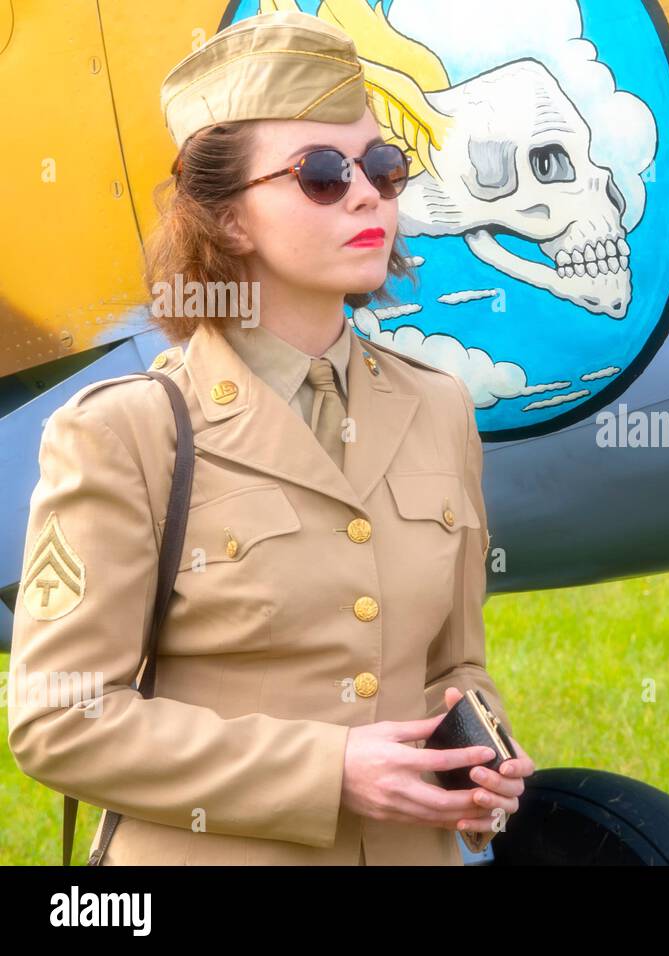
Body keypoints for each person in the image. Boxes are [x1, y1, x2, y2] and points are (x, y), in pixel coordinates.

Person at [6, 9, 534, 865]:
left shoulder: (439, 409)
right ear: (229, 221)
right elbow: (60, 718)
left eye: (383, 166)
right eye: (320, 174)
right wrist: (327, 770)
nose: (367, 192)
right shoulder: (127, 434)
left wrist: (482, 757)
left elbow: (453, 668)